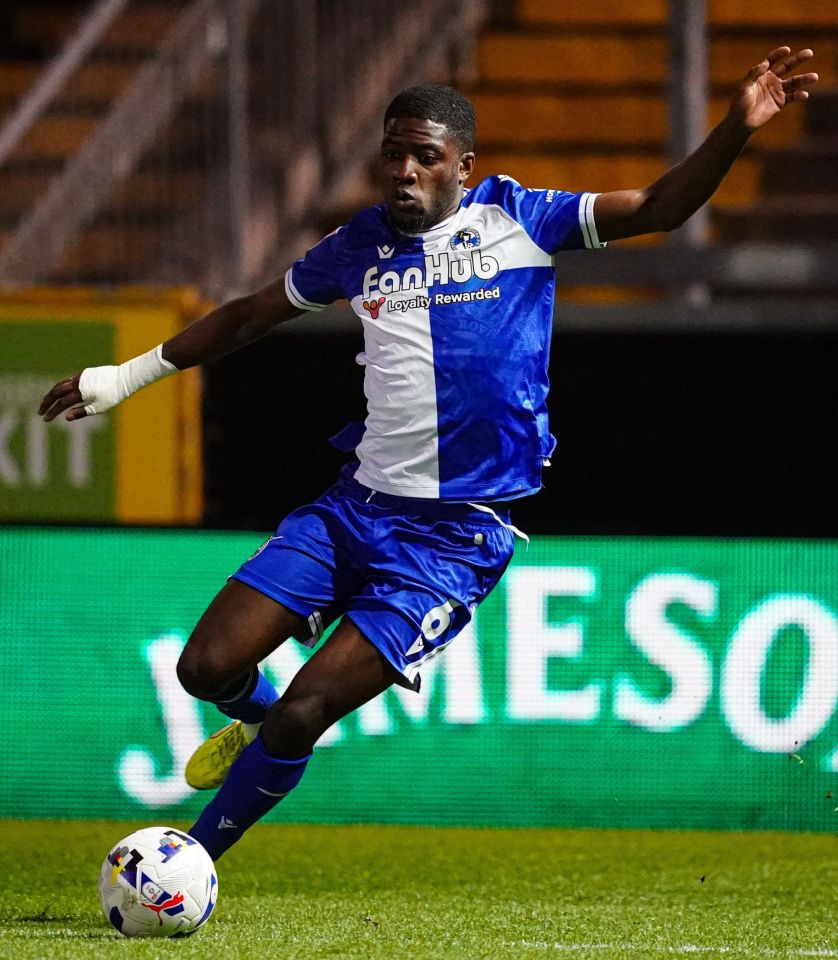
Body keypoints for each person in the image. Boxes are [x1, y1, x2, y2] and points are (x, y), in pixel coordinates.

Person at [38, 47, 817, 862]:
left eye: (425, 157)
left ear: (463, 166)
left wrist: (736, 126)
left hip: (453, 539)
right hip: (354, 510)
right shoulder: (358, 245)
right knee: (205, 667)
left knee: (311, 712)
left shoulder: (522, 217)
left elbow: (662, 205)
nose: (403, 171)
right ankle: (254, 720)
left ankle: (189, 862)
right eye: (392, 154)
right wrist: (123, 377)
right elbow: (245, 317)